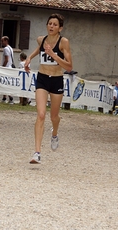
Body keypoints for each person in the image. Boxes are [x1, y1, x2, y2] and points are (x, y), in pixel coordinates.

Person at [24, 13, 73, 164]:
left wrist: (53, 55)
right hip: (43, 79)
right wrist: (29, 58)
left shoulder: (63, 42)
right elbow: (39, 49)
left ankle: (55, 133)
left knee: (54, 117)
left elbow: (69, 66)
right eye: (49, 23)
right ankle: (37, 153)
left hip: (57, 80)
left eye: (55, 24)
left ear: (60, 28)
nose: (51, 26)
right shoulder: (42, 39)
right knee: (41, 114)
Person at [1, 36, 15, 104]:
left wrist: (2, 67)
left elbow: (6, 59)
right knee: (7, 83)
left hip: (6, 67)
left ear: (6, 41)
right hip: (10, 66)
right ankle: (5, 98)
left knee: (5, 83)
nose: (2, 43)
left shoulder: (6, 49)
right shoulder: (10, 48)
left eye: (2, 41)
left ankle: (10, 97)